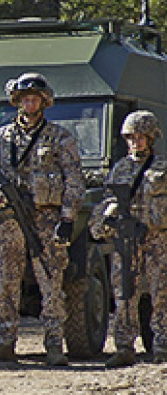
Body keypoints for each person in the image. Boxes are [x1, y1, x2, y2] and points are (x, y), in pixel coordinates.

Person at [0, 72, 84, 366]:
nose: (29, 103)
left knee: (51, 281)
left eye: (34, 98)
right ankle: (5, 341)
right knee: (6, 281)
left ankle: (54, 344)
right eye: (25, 99)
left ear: (44, 102)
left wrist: (68, 218)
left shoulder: (60, 137)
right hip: (10, 221)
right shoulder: (1, 137)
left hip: (46, 220)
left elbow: (74, 180)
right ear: (17, 102)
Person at [89, 110, 167, 367]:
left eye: (142, 137)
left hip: (156, 240)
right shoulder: (119, 168)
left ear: (151, 138)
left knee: (161, 293)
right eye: (132, 137)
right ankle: (124, 346)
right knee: (124, 294)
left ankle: (162, 345)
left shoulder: (162, 168)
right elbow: (109, 200)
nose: (136, 142)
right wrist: (106, 220)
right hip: (126, 241)